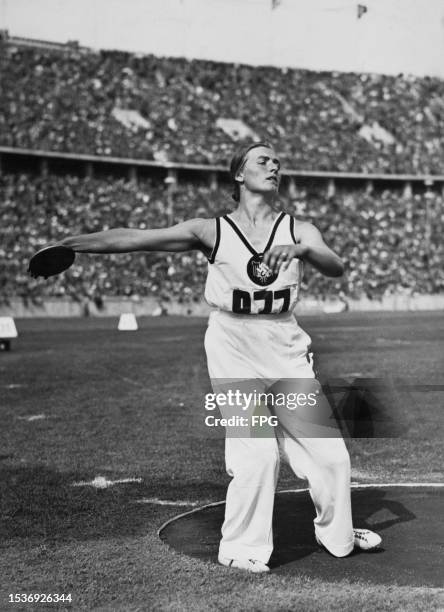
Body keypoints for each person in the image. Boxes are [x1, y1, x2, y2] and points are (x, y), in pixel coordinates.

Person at [54, 141, 381, 573]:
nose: (273, 165)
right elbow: (135, 238)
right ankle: (240, 549)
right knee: (258, 455)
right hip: (233, 344)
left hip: (285, 344)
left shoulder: (299, 230)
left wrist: (303, 251)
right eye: (262, 160)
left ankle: (337, 535)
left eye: (276, 161)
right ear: (239, 176)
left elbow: (335, 265)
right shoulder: (212, 230)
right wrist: (68, 244)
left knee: (331, 455)